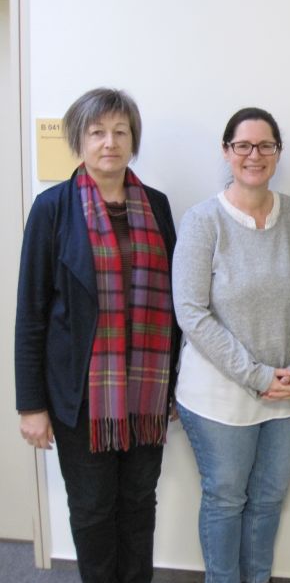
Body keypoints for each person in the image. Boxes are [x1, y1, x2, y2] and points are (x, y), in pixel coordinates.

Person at [15, 87, 179, 583]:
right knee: (91, 508)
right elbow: (32, 312)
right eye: (97, 132)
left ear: (133, 140)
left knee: (138, 503)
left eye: (120, 131)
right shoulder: (53, 208)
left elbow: (174, 306)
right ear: (79, 140)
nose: (110, 142)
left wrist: (170, 385)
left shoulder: (157, 206)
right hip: (80, 396)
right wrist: (32, 405)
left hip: (145, 391)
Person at [173, 107, 290, 583]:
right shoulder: (202, 221)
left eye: (266, 145)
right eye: (243, 146)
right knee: (226, 499)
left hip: (288, 394)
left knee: (269, 500)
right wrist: (256, 376)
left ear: (278, 152)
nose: (255, 155)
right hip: (219, 396)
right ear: (226, 151)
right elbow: (192, 313)